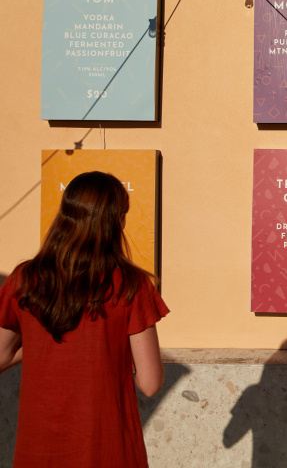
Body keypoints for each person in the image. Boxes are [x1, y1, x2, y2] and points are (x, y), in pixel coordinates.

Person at [0, 170, 169, 467]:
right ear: (116, 220)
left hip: (38, 451)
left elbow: (1, 355)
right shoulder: (131, 284)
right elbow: (150, 382)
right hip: (109, 449)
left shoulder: (24, 279)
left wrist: (42, 345)